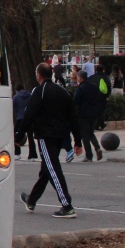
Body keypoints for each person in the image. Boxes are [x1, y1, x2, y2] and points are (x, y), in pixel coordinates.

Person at [18, 63, 77, 218]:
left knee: (52, 168)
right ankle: (31, 200)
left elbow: (29, 115)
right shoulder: (63, 91)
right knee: (46, 170)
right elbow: (73, 116)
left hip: (45, 135)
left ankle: (67, 205)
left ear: (39, 75)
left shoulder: (39, 91)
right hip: (60, 135)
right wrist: (77, 141)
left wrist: (18, 136)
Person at [73, 69, 106, 161]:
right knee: (91, 133)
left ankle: (89, 155)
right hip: (94, 113)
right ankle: (97, 148)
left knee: (85, 135)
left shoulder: (80, 88)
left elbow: (76, 101)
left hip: (83, 114)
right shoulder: (94, 87)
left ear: (80, 78)